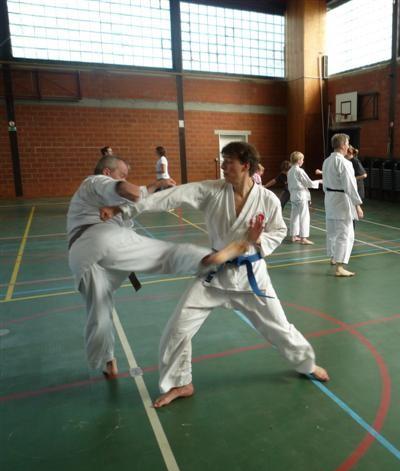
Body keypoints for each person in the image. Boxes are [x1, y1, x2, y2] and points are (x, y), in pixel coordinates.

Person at [101, 142, 329, 408]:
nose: (223, 166)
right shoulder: (211, 190)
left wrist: (257, 242)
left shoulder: (267, 199)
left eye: (228, 161)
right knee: (177, 330)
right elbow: (169, 197)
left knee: (279, 327)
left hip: (250, 277)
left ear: (245, 165)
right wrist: (123, 209)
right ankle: (180, 382)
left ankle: (306, 363)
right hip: (214, 277)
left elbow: (278, 231)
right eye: (223, 161)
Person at [67, 155, 244, 379]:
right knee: (163, 254)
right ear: (107, 172)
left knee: (99, 313)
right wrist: (150, 186)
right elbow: (127, 190)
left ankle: (106, 362)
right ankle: (208, 259)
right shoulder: (95, 182)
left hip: (81, 259)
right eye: (122, 173)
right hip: (100, 239)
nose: (124, 177)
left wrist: (154, 190)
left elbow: (134, 204)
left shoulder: (89, 197)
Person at [322, 133, 364, 277]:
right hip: (341, 200)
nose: (348, 146)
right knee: (346, 234)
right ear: (342, 145)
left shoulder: (327, 161)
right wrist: (357, 204)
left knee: (333, 231)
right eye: (347, 143)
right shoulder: (344, 162)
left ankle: (334, 257)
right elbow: (350, 186)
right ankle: (340, 267)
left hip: (330, 198)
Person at [287, 151, 322, 244]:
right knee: (304, 216)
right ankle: (303, 238)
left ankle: (294, 236)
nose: (303, 161)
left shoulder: (290, 171)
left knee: (294, 216)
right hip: (301, 195)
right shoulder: (299, 171)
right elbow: (308, 183)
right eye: (302, 159)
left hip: (293, 195)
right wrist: (319, 181)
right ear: (298, 160)